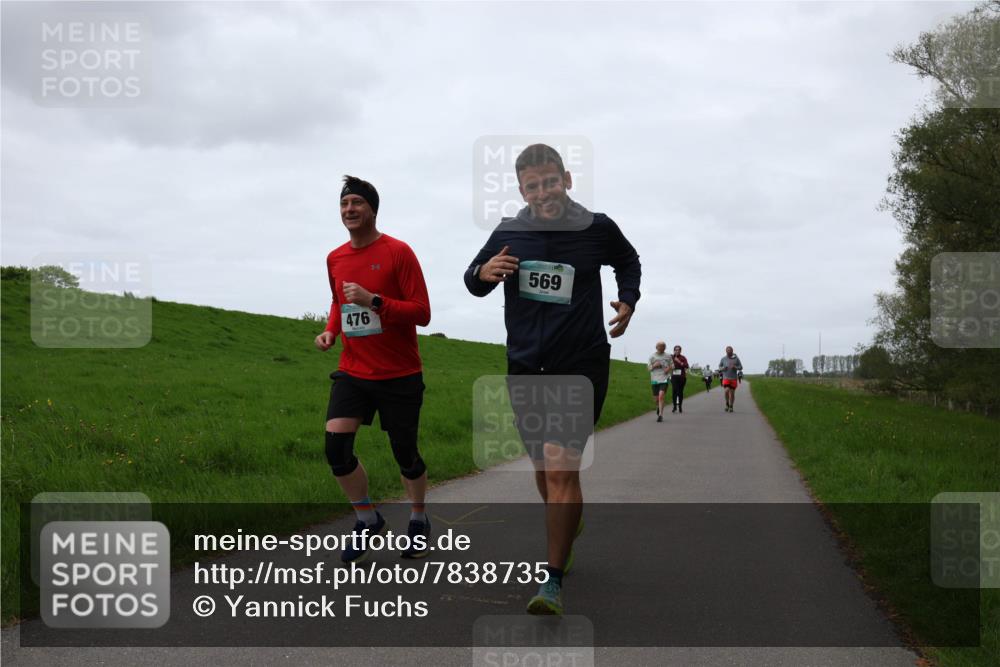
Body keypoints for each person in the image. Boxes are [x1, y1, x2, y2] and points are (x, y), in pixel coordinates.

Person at [464, 144, 641, 615]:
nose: (543, 192)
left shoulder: (596, 227)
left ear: (566, 177)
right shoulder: (509, 231)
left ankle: (552, 581)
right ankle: (568, 522)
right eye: (532, 186)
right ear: (521, 189)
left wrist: (628, 300)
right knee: (544, 472)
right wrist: (485, 271)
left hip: (579, 363)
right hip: (525, 364)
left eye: (550, 181)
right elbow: (472, 279)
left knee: (562, 469)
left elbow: (628, 261)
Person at [315, 175, 432, 564]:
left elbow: (422, 313)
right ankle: (367, 517)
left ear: (372, 209)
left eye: (357, 203)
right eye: (344, 204)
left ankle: (418, 519)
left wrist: (375, 300)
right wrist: (331, 331)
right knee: (336, 447)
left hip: (399, 373)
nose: (349, 210)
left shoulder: (399, 252)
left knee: (405, 454)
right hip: (353, 370)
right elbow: (338, 302)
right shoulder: (335, 258)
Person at [648, 342, 672, 421]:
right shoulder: (652, 356)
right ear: (657, 347)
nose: (662, 348)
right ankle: (658, 406)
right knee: (656, 399)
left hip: (664, 378)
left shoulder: (668, 356)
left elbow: (672, 365)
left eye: (663, 347)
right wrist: (654, 365)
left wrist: (667, 369)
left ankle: (660, 415)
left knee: (661, 395)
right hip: (654, 379)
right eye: (660, 347)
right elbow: (649, 368)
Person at [718, 346, 744, 413]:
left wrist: (735, 367)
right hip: (726, 377)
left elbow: (741, 367)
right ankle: (727, 403)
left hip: (733, 378)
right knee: (726, 391)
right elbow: (719, 367)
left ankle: (731, 406)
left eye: (730, 351)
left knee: (732, 393)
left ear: (732, 351)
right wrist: (723, 368)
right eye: (727, 351)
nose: (729, 352)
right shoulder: (723, 359)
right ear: (726, 351)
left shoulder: (736, 359)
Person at [669, 344, 690, 413]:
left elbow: (687, 366)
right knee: (674, 391)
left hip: (681, 377)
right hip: (674, 377)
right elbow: (667, 364)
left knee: (680, 392)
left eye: (678, 350)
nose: (677, 351)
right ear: (674, 351)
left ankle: (680, 406)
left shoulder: (683, 358)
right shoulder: (671, 357)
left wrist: (679, 362)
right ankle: (674, 406)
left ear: (680, 351)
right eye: (675, 350)